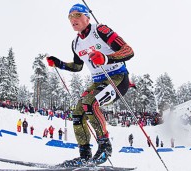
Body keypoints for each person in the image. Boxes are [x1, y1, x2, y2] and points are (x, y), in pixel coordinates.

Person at [46, 3, 134, 166]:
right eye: (70, 16)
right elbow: (77, 67)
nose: (73, 19)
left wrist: (106, 58)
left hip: (118, 77)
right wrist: (59, 63)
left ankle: (105, 147)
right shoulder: (75, 43)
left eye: (78, 15)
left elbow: (128, 50)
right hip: (99, 80)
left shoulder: (100, 30)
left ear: (88, 16)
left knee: (90, 103)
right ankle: (85, 155)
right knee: (78, 112)